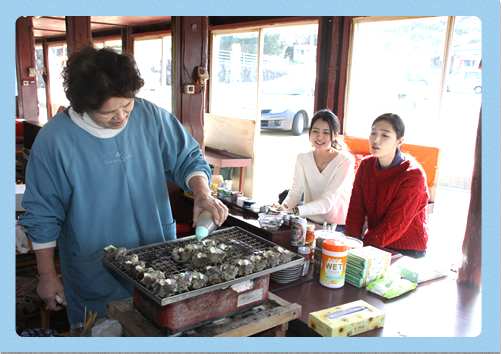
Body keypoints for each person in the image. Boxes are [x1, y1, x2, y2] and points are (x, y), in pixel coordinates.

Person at [17, 45, 228, 325]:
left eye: (127, 105)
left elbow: (187, 157)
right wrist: (47, 277)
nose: (121, 117)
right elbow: (42, 214)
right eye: (107, 112)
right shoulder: (55, 140)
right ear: (82, 105)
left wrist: (202, 192)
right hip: (94, 267)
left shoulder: (149, 116)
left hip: (158, 254)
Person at [345, 113, 429, 258]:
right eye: (373, 133)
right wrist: (351, 243)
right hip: (374, 243)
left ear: (399, 141)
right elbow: (355, 209)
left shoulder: (413, 174)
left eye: (385, 135)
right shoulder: (366, 165)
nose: (376, 140)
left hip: (406, 249)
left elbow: (396, 224)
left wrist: (361, 249)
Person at [277, 109, 355, 233]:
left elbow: (327, 202)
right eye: (315, 131)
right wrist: (284, 207)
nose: (319, 137)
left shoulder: (345, 160)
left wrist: (295, 211)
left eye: (326, 132)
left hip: (336, 227)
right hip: (308, 222)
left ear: (335, 135)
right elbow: (295, 193)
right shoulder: (302, 158)